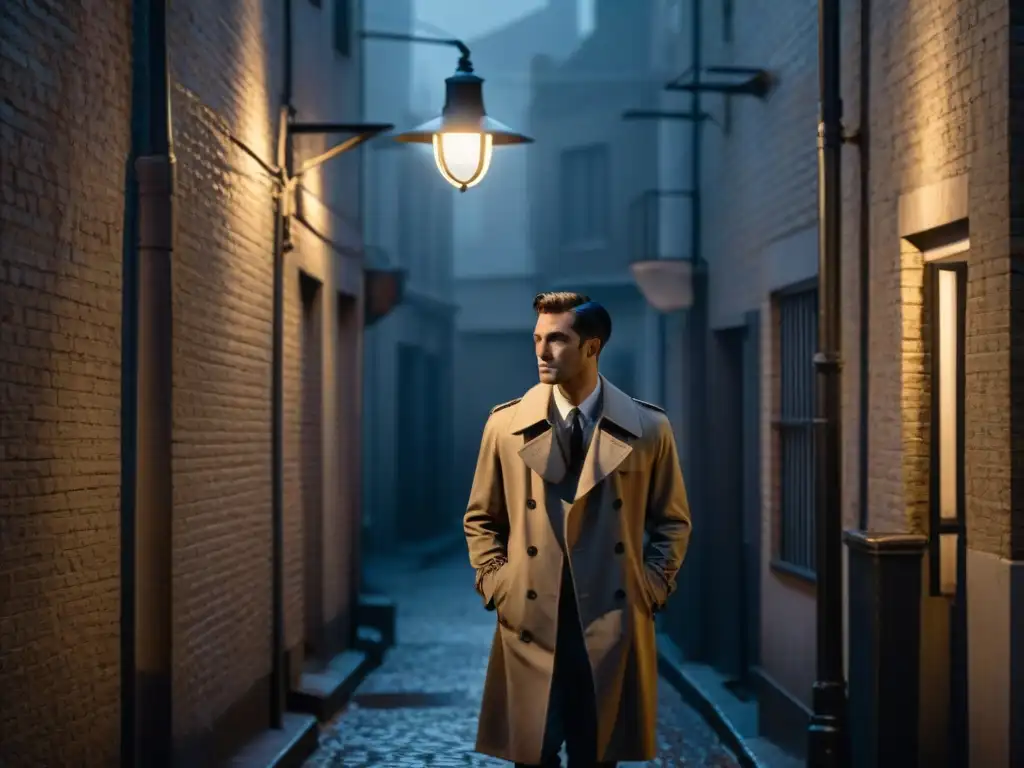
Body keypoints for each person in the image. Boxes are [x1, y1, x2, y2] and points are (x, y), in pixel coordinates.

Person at [464, 291, 692, 767]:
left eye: (558, 340)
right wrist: (498, 583)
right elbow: (482, 519)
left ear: (592, 347)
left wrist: (648, 588)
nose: (542, 352)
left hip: (609, 621)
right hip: (530, 618)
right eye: (537, 339)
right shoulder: (505, 427)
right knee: (534, 753)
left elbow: (672, 521)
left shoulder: (649, 429)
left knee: (597, 753)